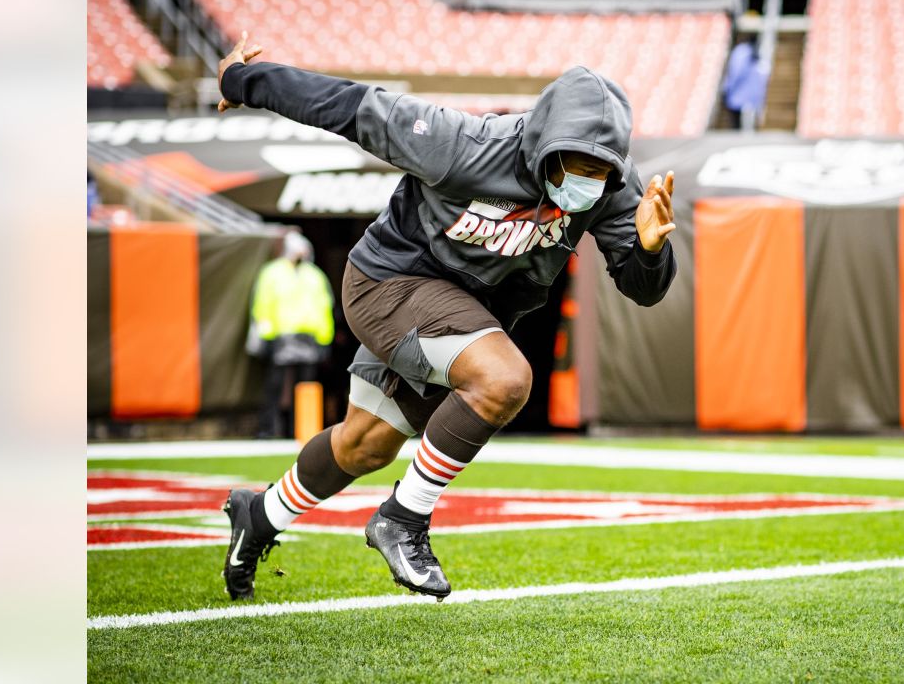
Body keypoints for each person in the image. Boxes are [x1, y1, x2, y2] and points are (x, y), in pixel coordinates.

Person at [216, 32, 677, 601]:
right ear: (541, 144)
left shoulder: (611, 185)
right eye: (573, 166)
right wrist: (241, 81)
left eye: (598, 170)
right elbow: (350, 107)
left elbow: (642, 287)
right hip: (391, 282)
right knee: (504, 378)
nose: (585, 181)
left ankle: (258, 515)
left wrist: (651, 251)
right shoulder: (462, 143)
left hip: (466, 313)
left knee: (364, 446)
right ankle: (403, 519)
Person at [247, 230, 335, 439]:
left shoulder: (314, 275)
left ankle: (300, 430)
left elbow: (324, 306)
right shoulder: (272, 273)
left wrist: (325, 339)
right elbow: (263, 304)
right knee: (275, 387)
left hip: (309, 338)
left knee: (305, 388)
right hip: (282, 337)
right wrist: (266, 335)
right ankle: (269, 429)